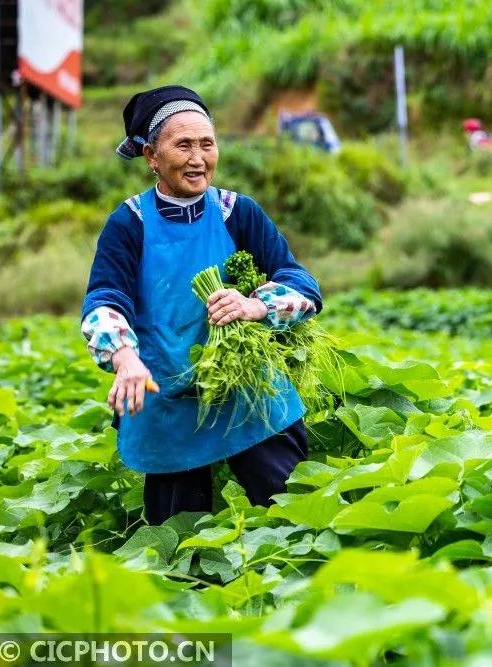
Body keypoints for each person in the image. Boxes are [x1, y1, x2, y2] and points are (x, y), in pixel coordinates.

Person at [82, 85, 322, 525]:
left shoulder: (237, 212)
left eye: (207, 144)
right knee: (181, 546)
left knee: (295, 518)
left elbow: (301, 284)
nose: (198, 158)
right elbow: (104, 298)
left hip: (248, 390)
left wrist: (256, 306)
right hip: (168, 397)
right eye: (184, 145)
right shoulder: (128, 223)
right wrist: (124, 357)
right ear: (152, 156)